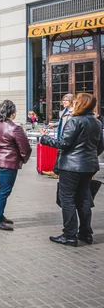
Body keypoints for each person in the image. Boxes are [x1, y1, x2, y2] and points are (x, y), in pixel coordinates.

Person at [39, 93, 104, 246]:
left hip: (71, 166)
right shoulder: (96, 122)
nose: (73, 104)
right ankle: (85, 233)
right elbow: (100, 146)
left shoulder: (75, 121)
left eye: (76, 102)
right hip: (88, 166)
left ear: (80, 104)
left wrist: (44, 138)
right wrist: (89, 157)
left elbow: (64, 143)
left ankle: (69, 235)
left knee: (67, 199)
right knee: (83, 199)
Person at [0, 100, 32, 231]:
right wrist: (24, 159)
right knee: (4, 190)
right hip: (9, 162)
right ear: (12, 113)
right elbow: (25, 148)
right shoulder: (15, 128)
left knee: (3, 189)